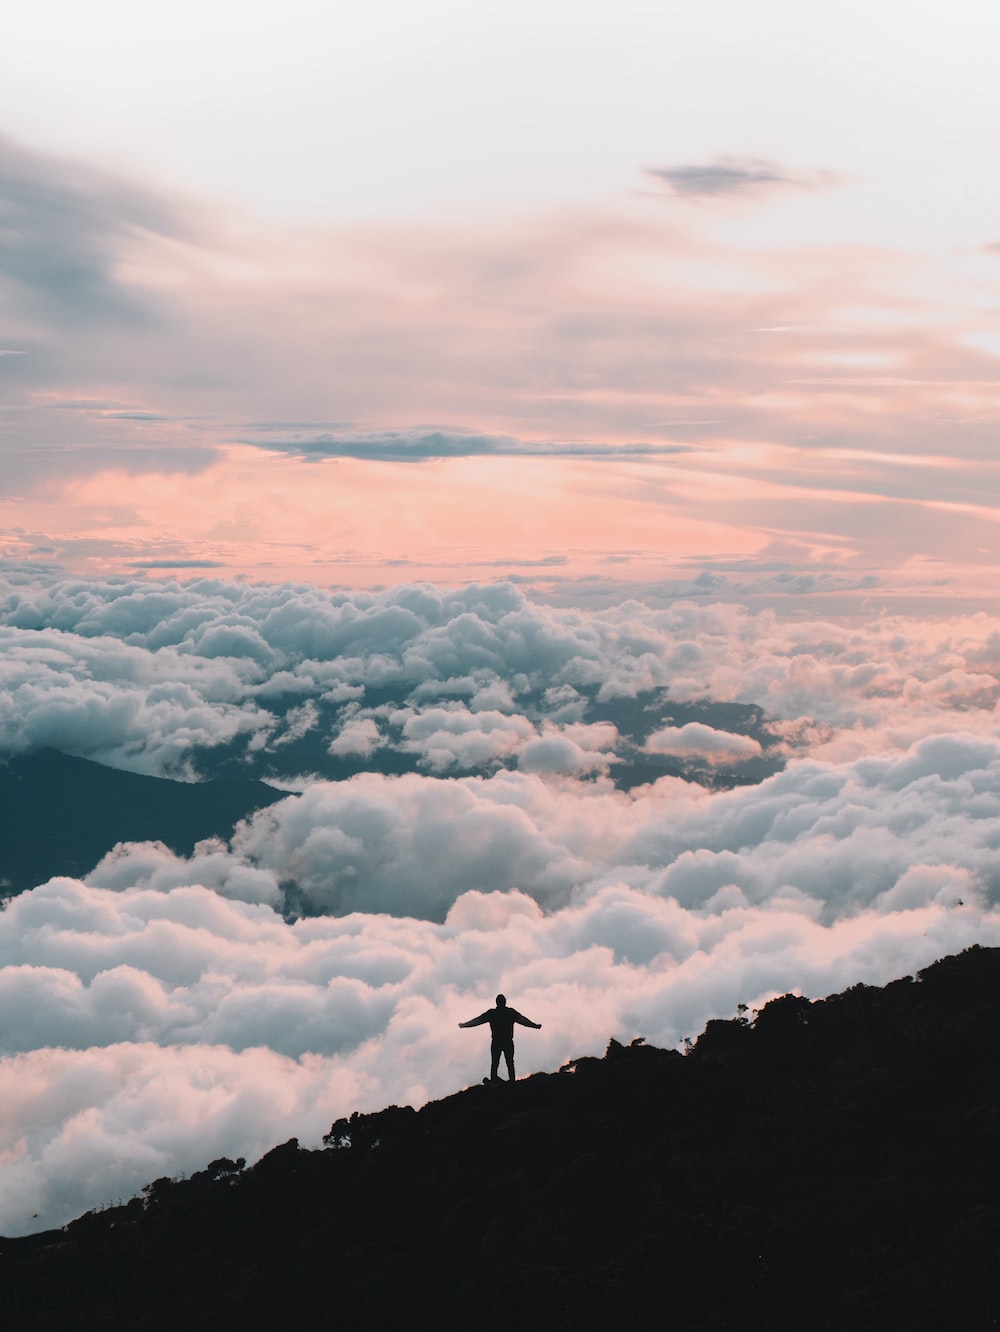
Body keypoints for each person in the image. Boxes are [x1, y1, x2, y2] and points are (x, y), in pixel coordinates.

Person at [459, 994, 541, 1083]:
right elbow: (523, 1020)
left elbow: (477, 1020)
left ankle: (498, 1080)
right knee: (506, 1063)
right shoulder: (509, 1012)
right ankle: (507, 1080)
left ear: (497, 1003)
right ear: (504, 1002)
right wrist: (534, 1025)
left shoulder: (493, 1013)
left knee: (498, 1063)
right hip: (504, 1041)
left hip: (499, 1042)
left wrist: (464, 1025)